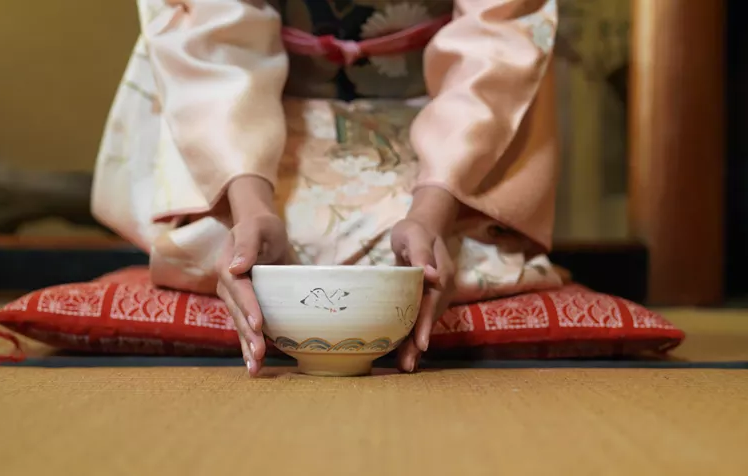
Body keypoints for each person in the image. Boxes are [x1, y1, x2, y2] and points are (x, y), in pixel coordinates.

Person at [92, 0, 564, 376]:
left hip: (441, 110)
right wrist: (250, 205)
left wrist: (432, 211)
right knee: (234, 242)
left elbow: (496, 36)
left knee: (420, 252)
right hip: (256, 107)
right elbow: (213, 27)